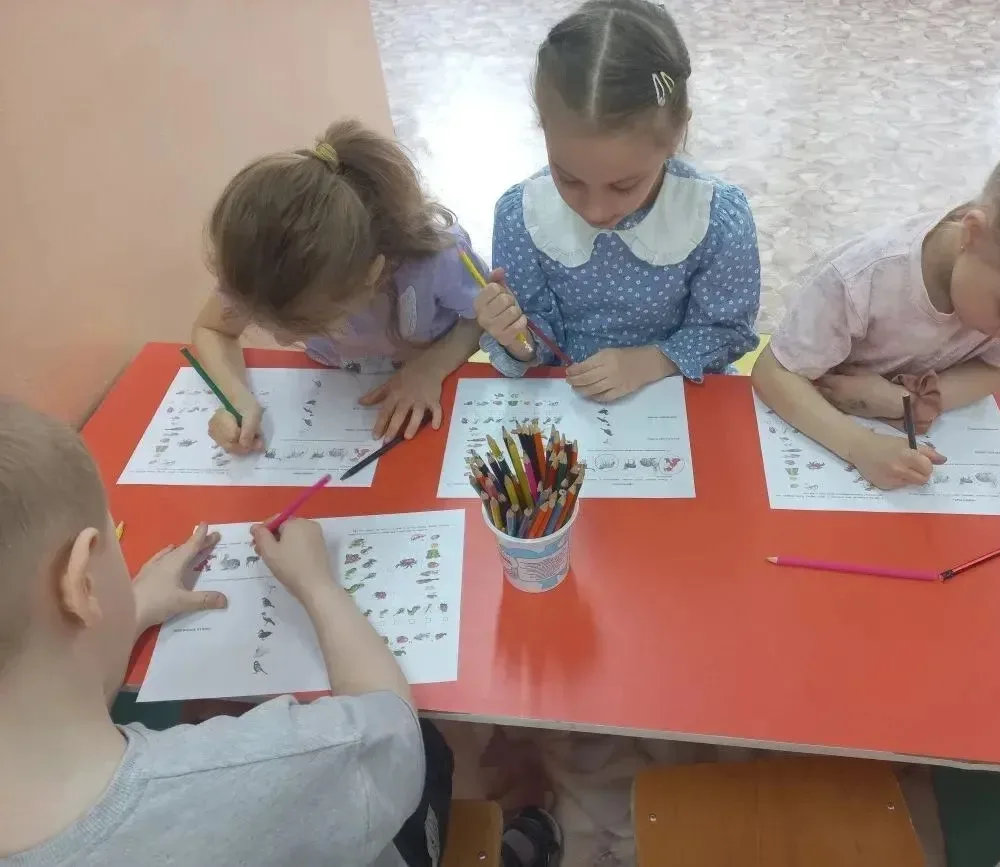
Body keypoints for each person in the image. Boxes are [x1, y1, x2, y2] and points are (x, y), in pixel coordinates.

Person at [0, 398, 443, 866]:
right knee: (435, 750)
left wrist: (131, 613)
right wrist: (317, 585)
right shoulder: (269, 768)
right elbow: (394, 731)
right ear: (84, 580)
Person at [753, 120, 1000, 490]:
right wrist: (860, 446)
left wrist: (909, 401)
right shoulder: (864, 278)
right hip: (821, 405)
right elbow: (775, 372)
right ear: (973, 235)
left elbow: (998, 366)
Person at [475, 0, 760, 402]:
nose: (595, 211)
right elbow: (536, 342)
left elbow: (727, 330)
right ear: (542, 128)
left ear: (675, 134)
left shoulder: (716, 219)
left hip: (680, 395)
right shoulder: (521, 217)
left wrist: (652, 362)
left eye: (624, 185)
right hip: (571, 403)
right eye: (568, 178)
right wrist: (515, 337)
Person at [192, 118, 484, 452]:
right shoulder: (262, 270)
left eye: (310, 323)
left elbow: (481, 319)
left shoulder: (437, 259)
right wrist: (236, 397)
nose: (283, 340)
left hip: (435, 397)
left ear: (371, 275)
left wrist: (430, 369)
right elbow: (213, 329)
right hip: (336, 394)